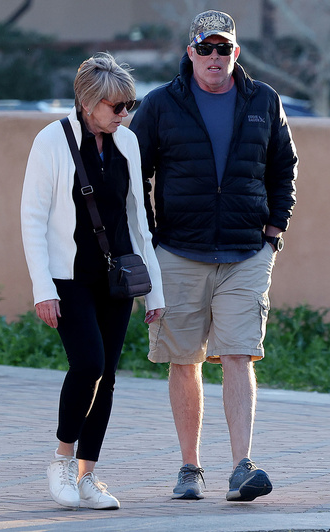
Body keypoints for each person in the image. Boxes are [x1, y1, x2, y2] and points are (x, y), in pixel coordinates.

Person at [130, 11, 297, 502]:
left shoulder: (263, 100)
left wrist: (274, 229)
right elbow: (133, 172)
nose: (215, 58)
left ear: (236, 53)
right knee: (184, 360)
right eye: (206, 48)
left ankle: (243, 465)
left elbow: (284, 165)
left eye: (224, 49)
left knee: (239, 353)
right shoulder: (162, 104)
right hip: (180, 251)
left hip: (247, 250)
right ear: (190, 53)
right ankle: (190, 468)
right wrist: (152, 236)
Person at [21, 53, 165, 510]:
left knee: (108, 377)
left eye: (130, 105)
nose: (124, 114)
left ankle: (88, 475)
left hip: (118, 277)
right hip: (70, 278)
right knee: (88, 364)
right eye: (116, 106)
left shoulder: (126, 142)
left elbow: (140, 219)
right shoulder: (51, 140)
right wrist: (43, 288)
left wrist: (153, 291)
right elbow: (32, 219)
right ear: (88, 103)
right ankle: (61, 461)